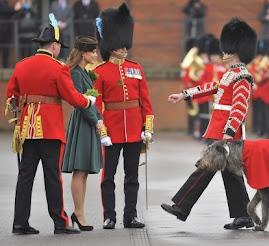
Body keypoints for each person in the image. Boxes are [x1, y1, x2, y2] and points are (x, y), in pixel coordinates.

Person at [161, 17, 257, 230]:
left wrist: (227, 133)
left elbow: (239, 108)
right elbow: (212, 87)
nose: (222, 54)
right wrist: (184, 95)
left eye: (226, 50)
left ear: (234, 51)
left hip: (227, 133)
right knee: (232, 174)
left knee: (205, 168)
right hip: (223, 130)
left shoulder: (242, 76)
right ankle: (244, 215)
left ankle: (181, 205)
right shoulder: (231, 74)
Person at [6, 14, 96, 235]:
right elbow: (73, 97)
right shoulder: (58, 67)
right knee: (52, 177)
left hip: (28, 128)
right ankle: (59, 221)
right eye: (59, 46)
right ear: (54, 46)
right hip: (50, 128)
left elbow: (12, 99)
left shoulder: (21, 66)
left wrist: (20, 119)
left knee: (25, 177)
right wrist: (88, 100)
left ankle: (20, 222)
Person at [94, 3, 154, 229]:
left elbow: (145, 102)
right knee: (108, 177)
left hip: (135, 129)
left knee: (132, 177)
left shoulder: (136, 68)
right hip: (112, 129)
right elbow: (97, 105)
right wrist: (102, 131)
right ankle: (109, 215)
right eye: (120, 46)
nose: (124, 49)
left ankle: (130, 215)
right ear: (111, 46)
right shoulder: (99, 72)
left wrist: (147, 127)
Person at [62, 36, 111, 231]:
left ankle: (79, 212)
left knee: (84, 172)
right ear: (84, 53)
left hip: (89, 121)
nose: (96, 55)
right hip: (83, 121)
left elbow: (92, 100)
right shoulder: (75, 73)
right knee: (80, 170)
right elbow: (81, 103)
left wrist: (98, 118)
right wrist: (97, 121)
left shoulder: (83, 72)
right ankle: (79, 213)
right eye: (92, 51)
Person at [0, 0, 19, 68]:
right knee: (4, 47)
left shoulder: (5, 3)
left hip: (6, 30)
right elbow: (7, 11)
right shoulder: (1, 3)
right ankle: (5, 65)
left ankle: (5, 65)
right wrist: (16, 9)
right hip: (2, 30)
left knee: (6, 49)